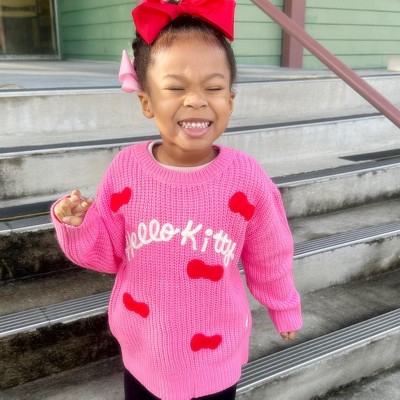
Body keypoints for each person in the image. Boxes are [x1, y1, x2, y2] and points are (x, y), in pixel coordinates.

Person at [52, 1, 302, 399]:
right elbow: (107, 254)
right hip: (143, 350)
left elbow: (270, 252)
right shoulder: (126, 170)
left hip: (215, 354)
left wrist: (283, 305)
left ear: (230, 101)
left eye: (213, 88)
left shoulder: (247, 178)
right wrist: (79, 226)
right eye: (176, 88)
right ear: (147, 102)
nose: (196, 100)